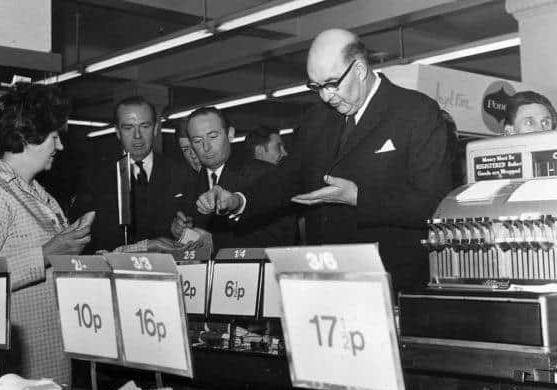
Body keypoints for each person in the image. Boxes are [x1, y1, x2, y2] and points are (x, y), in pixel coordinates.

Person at [196, 29, 452, 295]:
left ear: (361, 69)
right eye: (316, 87)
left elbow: (432, 202)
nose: (326, 96)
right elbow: (287, 179)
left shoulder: (416, 112)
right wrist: (239, 200)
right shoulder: (317, 120)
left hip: (391, 284)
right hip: (326, 283)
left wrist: (358, 197)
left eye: (332, 83)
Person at [0, 83, 93, 383]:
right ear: (28, 138)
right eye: (55, 137)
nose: (60, 146)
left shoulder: (41, 196)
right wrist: (45, 254)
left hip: (50, 356)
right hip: (14, 374)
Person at [71, 96, 187, 253]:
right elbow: (81, 240)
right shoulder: (94, 178)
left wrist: (183, 231)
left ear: (155, 128)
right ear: (117, 132)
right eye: (128, 128)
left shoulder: (180, 173)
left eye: (144, 126)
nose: (137, 136)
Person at [172, 107, 296, 251]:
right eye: (198, 141)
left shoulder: (263, 174)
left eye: (212, 136)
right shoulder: (190, 186)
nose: (206, 147)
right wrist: (181, 231)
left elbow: (283, 237)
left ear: (230, 134)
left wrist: (215, 243)